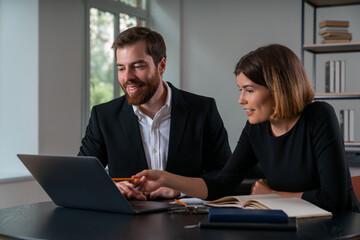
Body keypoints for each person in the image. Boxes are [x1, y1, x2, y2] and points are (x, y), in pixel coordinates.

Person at [134, 44, 360, 212]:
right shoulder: (255, 129)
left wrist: (274, 195)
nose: (241, 100)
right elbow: (222, 184)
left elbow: (333, 200)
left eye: (249, 90)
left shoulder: (319, 116)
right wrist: (165, 178)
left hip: (340, 228)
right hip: (291, 225)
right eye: (240, 90)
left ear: (277, 89)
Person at [78, 27, 231, 200]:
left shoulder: (203, 109)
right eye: (121, 68)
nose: (127, 77)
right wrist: (110, 187)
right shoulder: (103, 116)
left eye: (138, 66)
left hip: (189, 220)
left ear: (162, 65)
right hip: (127, 223)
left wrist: (177, 190)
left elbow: (224, 175)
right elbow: (81, 175)